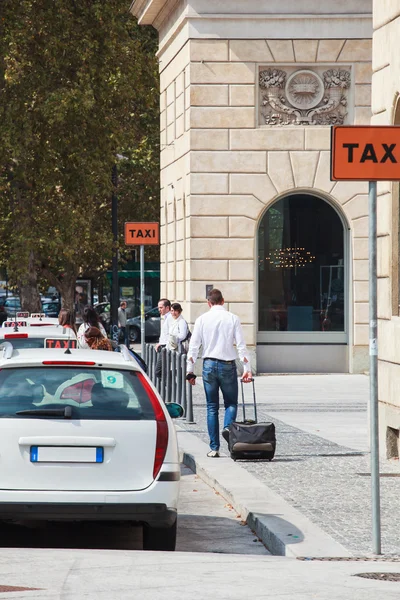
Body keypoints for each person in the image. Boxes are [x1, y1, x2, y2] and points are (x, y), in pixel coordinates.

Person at [186, 288, 253, 458]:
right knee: (231, 403)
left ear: (209, 303)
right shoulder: (233, 318)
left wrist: (190, 371)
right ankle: (227, 427)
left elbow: (193, 347)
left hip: (208, 365)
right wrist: (247, 369)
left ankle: (214, 448)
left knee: (211, 407)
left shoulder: (201, 320)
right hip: (227, 365)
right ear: (223, 301)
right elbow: (241, 345)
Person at [155, 298, 172, 380]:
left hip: (166, 348)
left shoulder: (170, 318)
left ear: (167, 308)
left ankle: (170, 388)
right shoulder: (166, 317)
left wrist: (163, 345)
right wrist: (160, 343)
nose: (159, 310)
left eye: (161, 308)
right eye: (158, 308)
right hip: (163, 346)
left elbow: (171, 335)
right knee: (163, 371)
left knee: (158, 372)